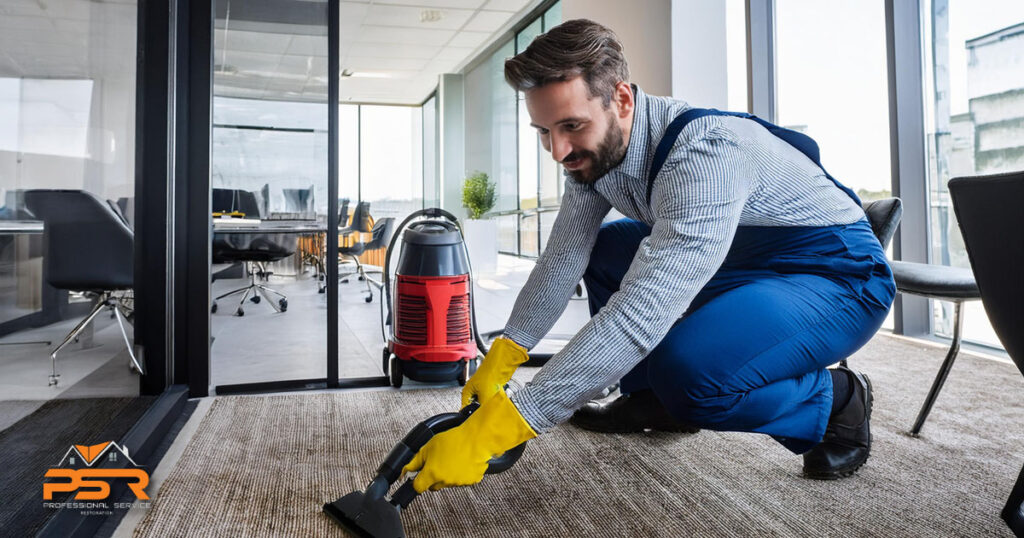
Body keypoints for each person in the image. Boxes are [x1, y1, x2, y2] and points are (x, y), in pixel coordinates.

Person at [402, 18, 895, 493]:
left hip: (836, 276)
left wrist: (509, 423)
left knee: (690, 374)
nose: (557, 150)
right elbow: (563, 258)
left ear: (620, 97)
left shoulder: (706, 156)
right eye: (544, 131)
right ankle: (648, 400)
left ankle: (835, 402)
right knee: (606, 248)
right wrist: (505, 355)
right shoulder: (593, 158)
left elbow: (640, 313)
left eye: (571, 125)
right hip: (739, 263)